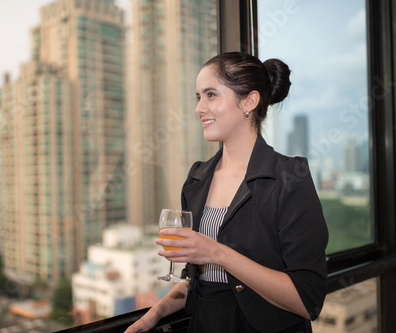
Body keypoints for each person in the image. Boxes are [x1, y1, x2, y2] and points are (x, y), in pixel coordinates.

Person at [124, 52, 329, 333]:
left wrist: (217, 253)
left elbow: (307, 300)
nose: (199, 108)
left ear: (249, 101)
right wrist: (155, 313)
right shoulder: (197, 179)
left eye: (211, 95)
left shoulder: (290, 178)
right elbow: (198, 283)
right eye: (198, 97)